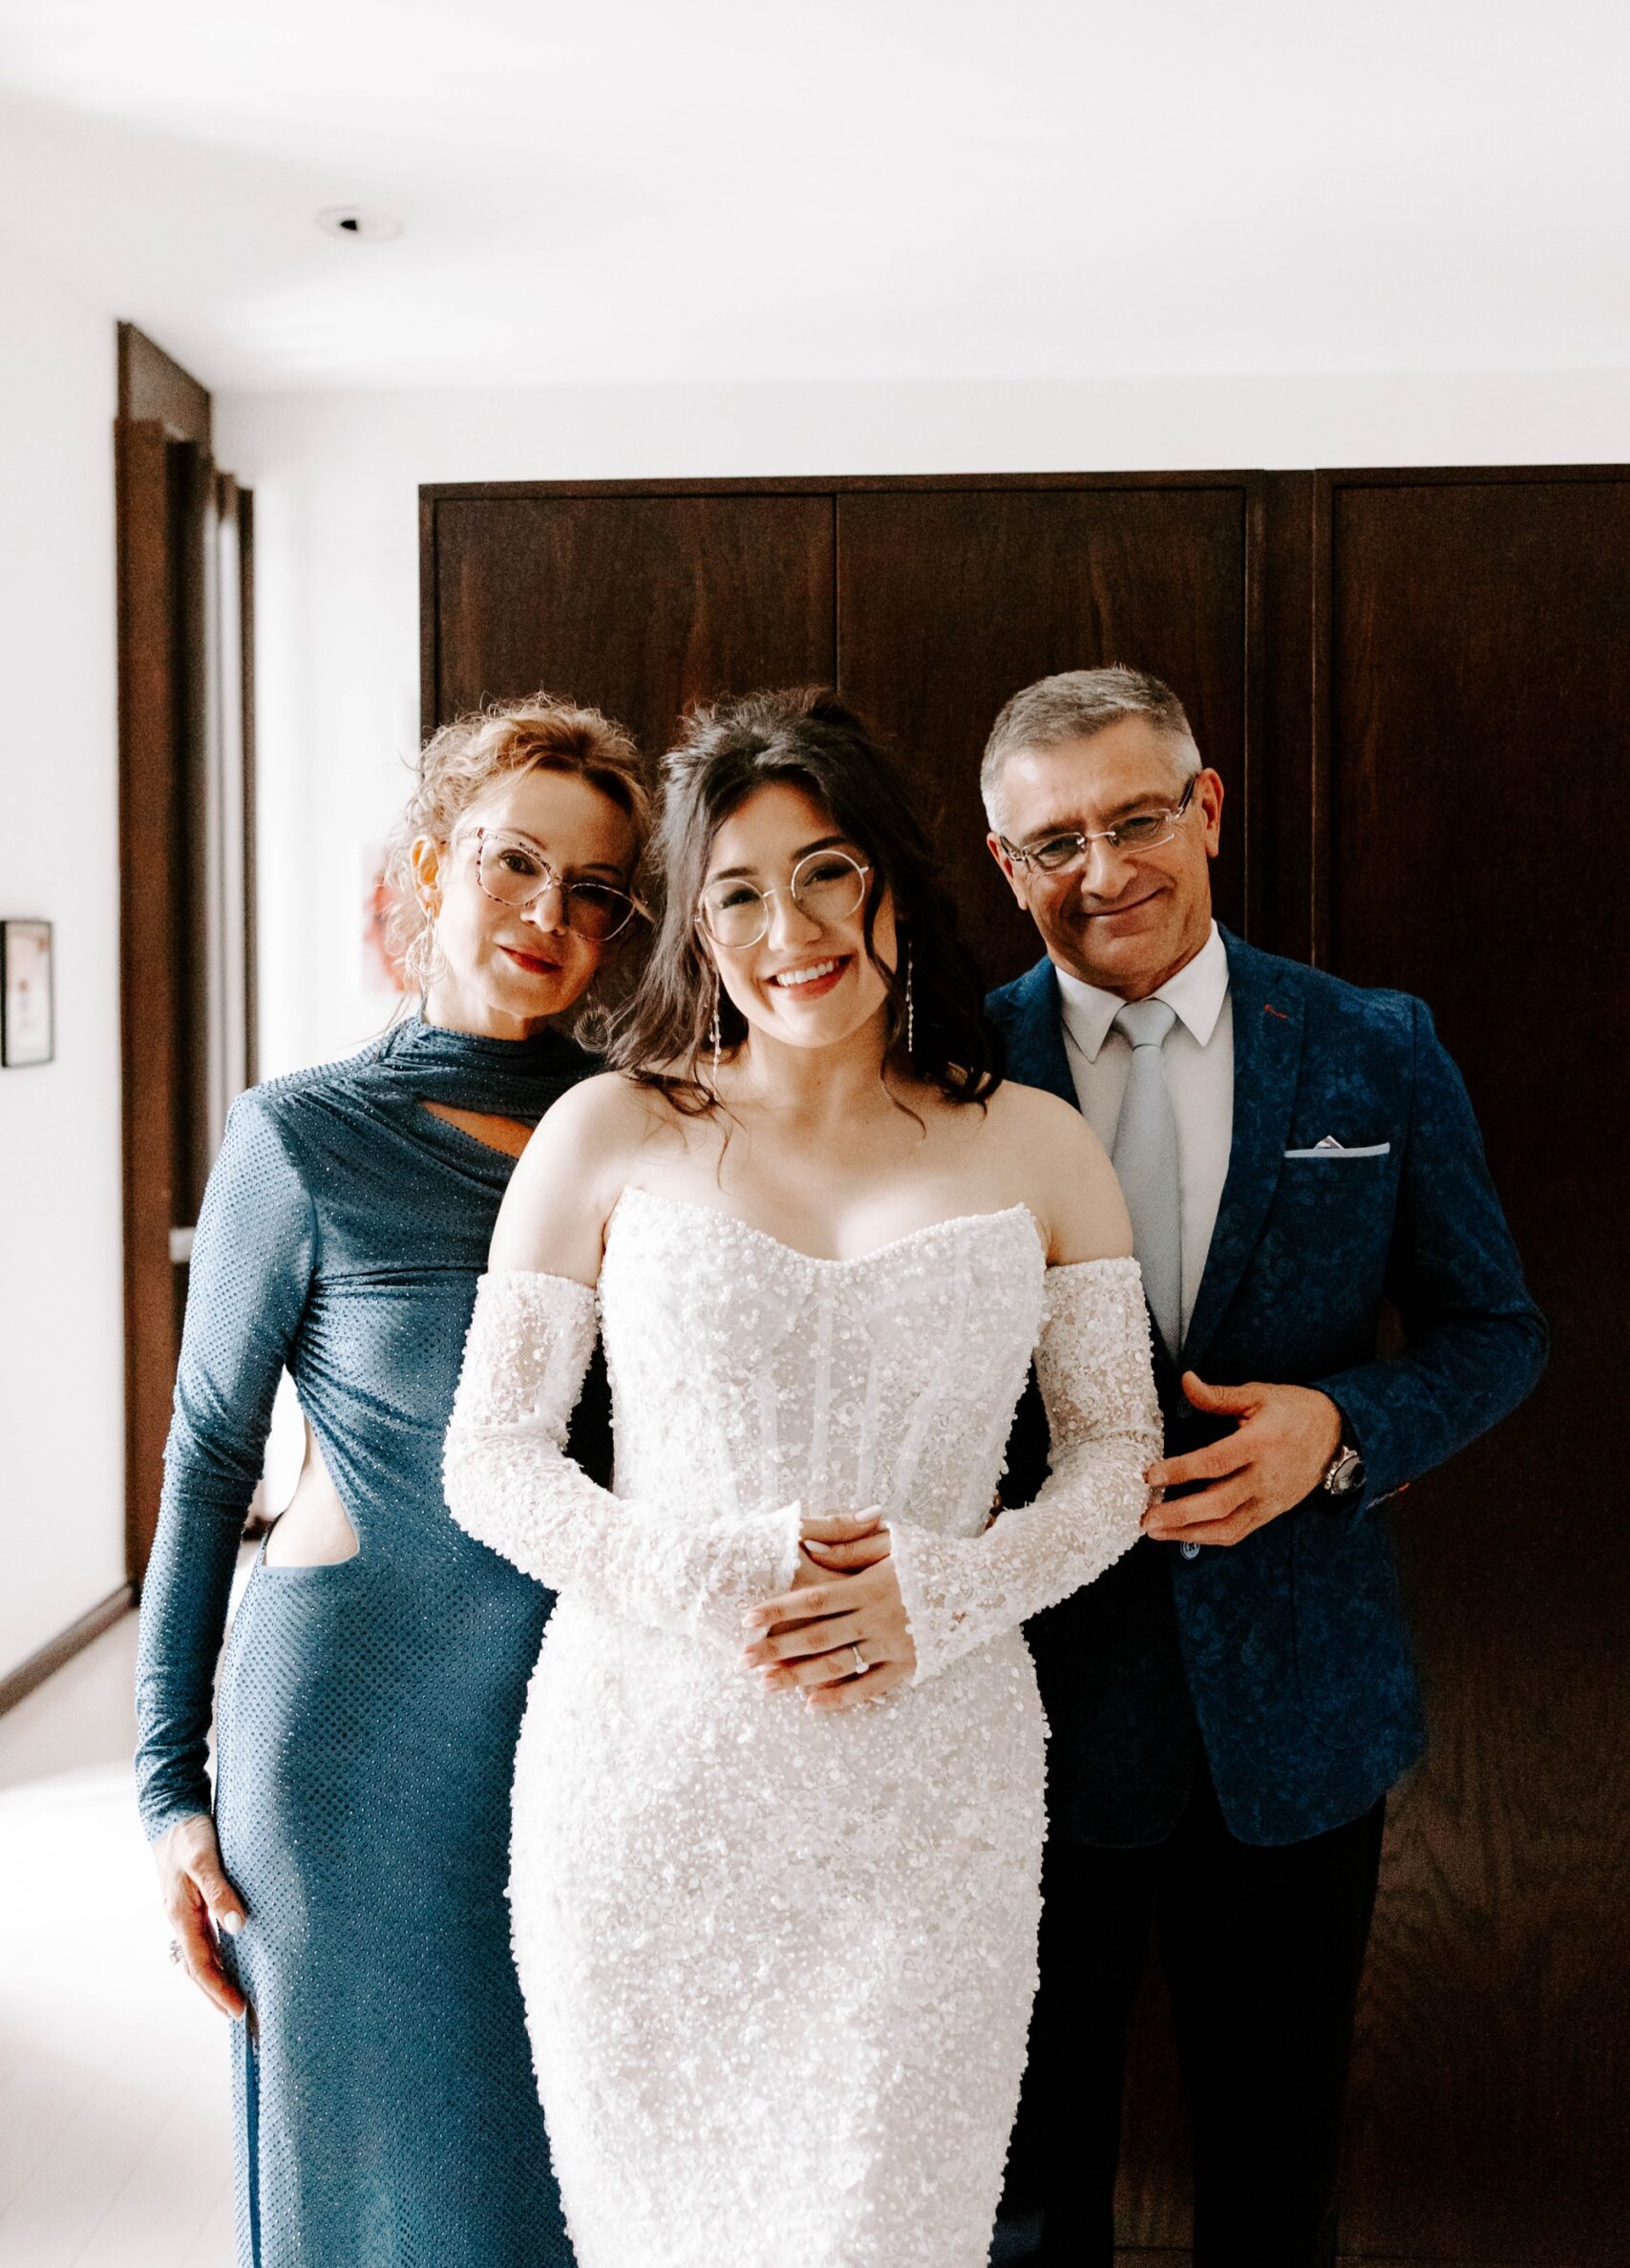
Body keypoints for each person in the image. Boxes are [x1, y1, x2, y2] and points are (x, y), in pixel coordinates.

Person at [439, 688, 1162, 2268]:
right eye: (740, 893)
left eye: (828, 873)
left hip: (934, 1782)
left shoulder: (1038, 1145)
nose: (793, 929)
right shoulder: (605, 1132)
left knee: (889, 2225)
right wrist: (713, 1577)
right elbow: (491, 1456)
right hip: (647, 1781)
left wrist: (951, 1590)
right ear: (695, 928)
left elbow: (1116, 1461)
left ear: (895, 879)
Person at [981, 666, 1548, 2267]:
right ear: (1005, 864)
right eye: (1053, 844)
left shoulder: (1376, 1044)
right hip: (1019, 1722)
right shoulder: (947, 1065)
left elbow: (1495, 1329)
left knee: (1272, 2184)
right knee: (1022, 2194)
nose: (1104, 872)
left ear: (1207, 809)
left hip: (1303, 1719)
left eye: (1137, 817)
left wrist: (1342, 1432)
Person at [134, 693, 650, 2268]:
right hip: (353, 1738)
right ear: (431, 869)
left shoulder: (654, 1131)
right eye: (513, 864)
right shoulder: (300, 1137)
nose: (549, 915)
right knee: (371, 2189)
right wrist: (165, 1786)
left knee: (568, 2184)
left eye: (595, 891)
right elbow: (210, 1461)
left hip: (590, 1721)